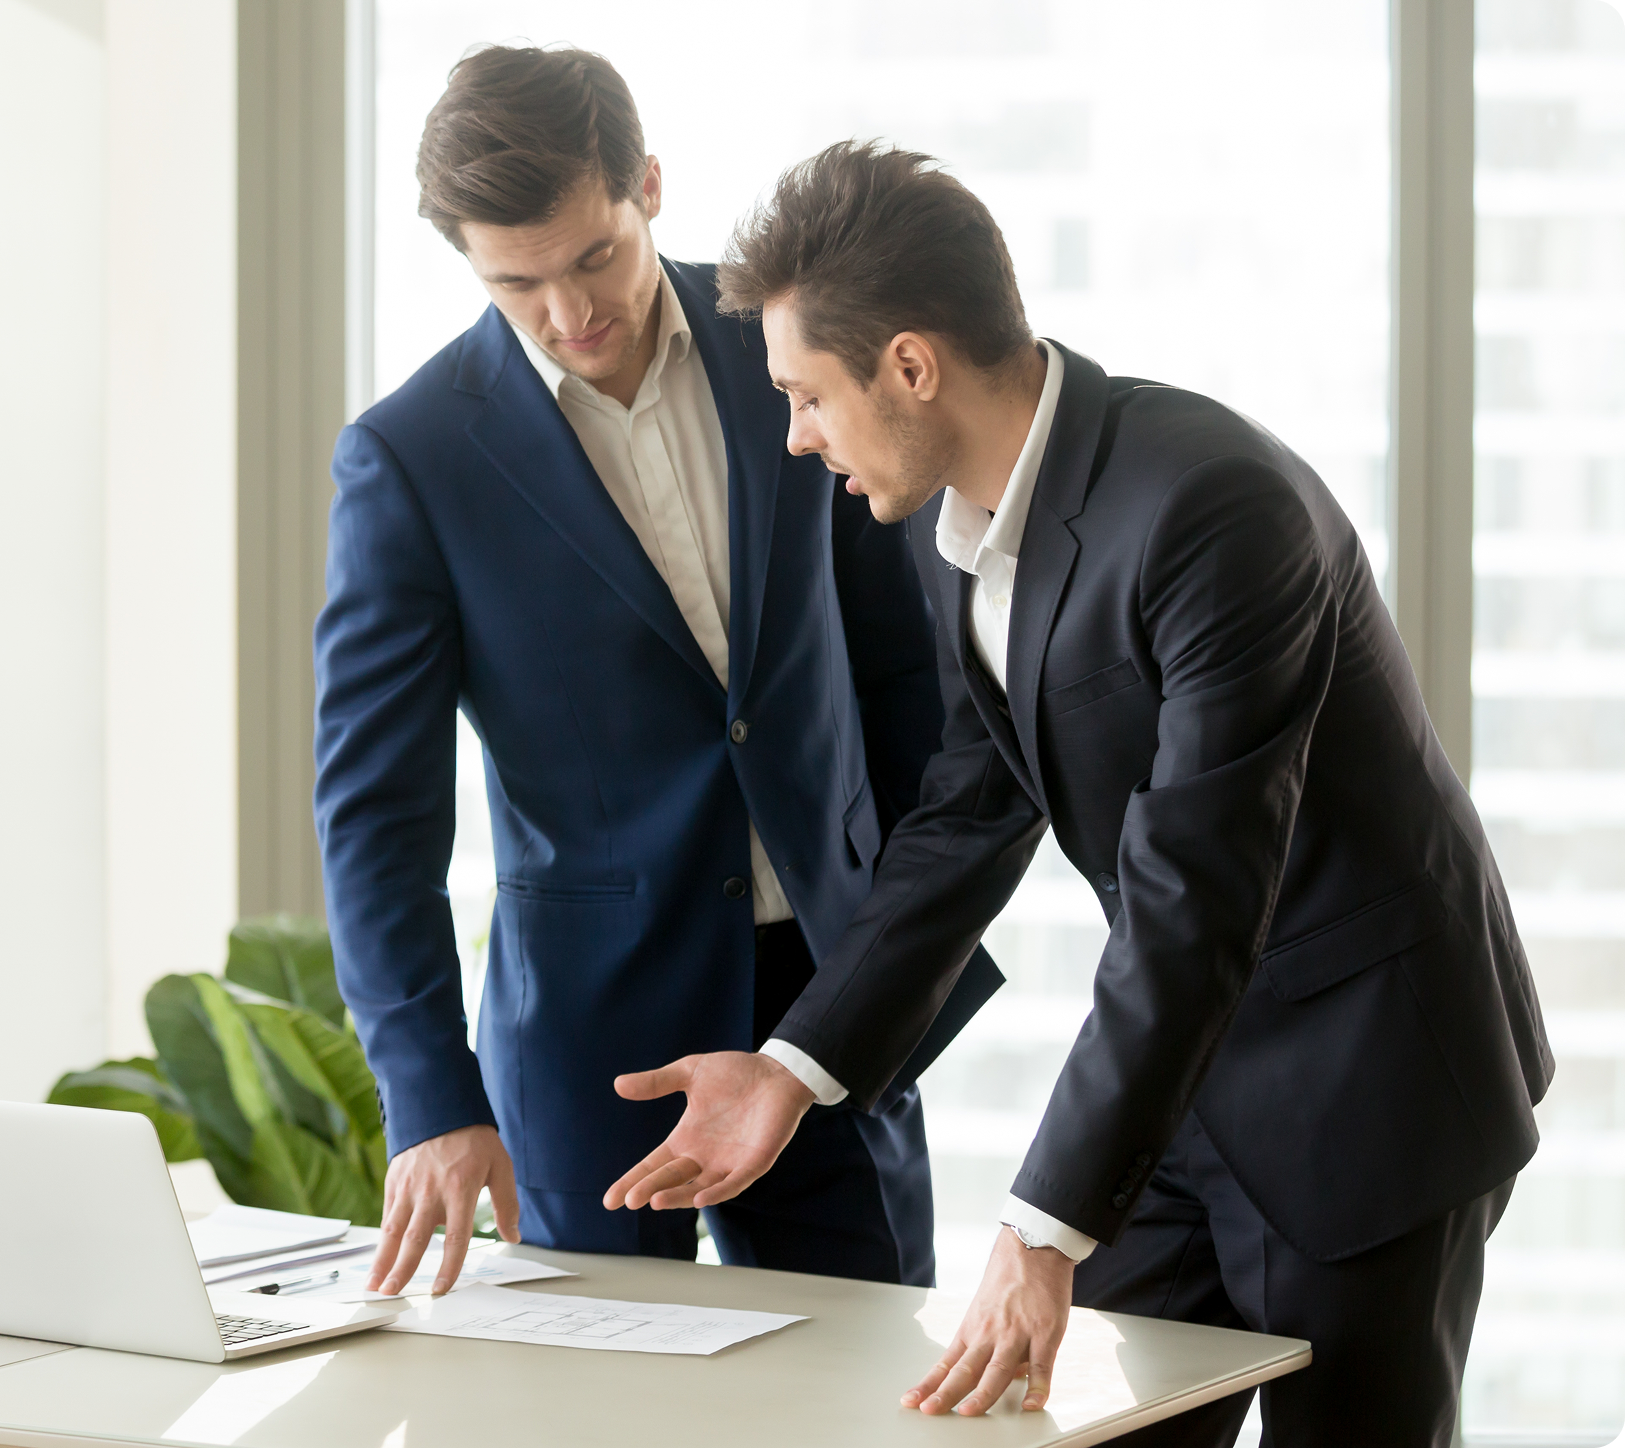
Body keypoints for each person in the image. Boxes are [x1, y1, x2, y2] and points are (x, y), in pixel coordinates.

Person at [604, 142, 1553, 1447]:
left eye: (808, 396)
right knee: (1064, 1427)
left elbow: (1193, 894)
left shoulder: (1215, 510)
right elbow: (970, 812)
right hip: (1187, 1083)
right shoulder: (952, 522)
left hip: (1366, 1090)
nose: (795, 436)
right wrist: (797, 1065)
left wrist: (1038, 1229)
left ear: (911, 367)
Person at [313, 48, 1002, 1300]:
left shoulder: (781, 353)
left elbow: (906, 675)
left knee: (858, 1395)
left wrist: (893, 959)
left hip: (827, 1007)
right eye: (515, 282)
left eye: (592, 257)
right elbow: (375, 817)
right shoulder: (410, 463)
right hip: (592, 1044)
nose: (568, 312)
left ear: (648, 185)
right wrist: (429, 1096)